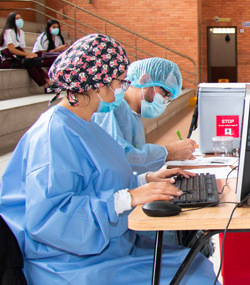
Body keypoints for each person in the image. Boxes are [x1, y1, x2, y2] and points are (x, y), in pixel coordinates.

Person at [0, 34, 218, 284]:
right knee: (194, 278)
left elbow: (99, 181)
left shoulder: (86, 125)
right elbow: (52, 221)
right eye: (119, 83)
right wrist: (128, 198)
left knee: (197, 264)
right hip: (69, 262)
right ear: (98, 83)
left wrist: (144, 180)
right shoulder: (53, 133)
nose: (121, 90)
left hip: (111, 246)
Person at [92, 57, 196, 174]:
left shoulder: (133, 115)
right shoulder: (113, 107)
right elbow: (118, 159)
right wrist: (169, 152)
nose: (164, 101)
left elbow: (136, 164)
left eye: (169, 99)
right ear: (145, 79)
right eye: (165, 94)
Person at [0, 12, 52, 91]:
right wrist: (28, 54)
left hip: (18, 55)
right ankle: (46, 84)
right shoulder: (8, 32)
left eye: (20, 18)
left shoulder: (21, 32)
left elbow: (21, 48)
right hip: (8, 58)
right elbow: (12, 50)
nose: (20, 20)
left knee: (33, 61)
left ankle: (49, 83)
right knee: (30, 63)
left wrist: (27, 55)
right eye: (17, 18)